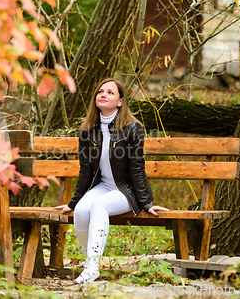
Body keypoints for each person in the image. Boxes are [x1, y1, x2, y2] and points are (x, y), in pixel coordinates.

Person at [54, 78, 171, 284]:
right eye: (100, 91)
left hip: (126, 190)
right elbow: (85, 171)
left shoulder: (133, 128)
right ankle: (90, 264)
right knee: (81, 210)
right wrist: (73, 202)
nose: (103, 94)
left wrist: (146, 202)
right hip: (103, 186)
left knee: (100, 206)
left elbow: (137, 167)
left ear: (120, 101)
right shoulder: (88, 130)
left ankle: (91, 268)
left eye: (110, 92)